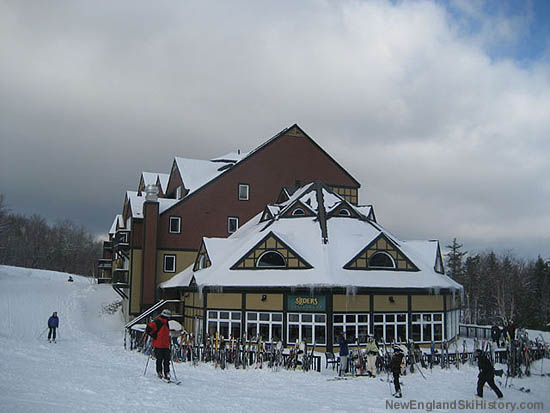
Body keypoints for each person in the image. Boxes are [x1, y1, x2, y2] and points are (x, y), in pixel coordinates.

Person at [146, 309, 172, 380]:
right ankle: (161, 372)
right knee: (161, 359)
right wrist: (154, 335)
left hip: (165, 344)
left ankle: (165, 372)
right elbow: (148, 329)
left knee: (165, 359)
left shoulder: (166, 323)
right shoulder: (157, 322)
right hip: (158, 344)